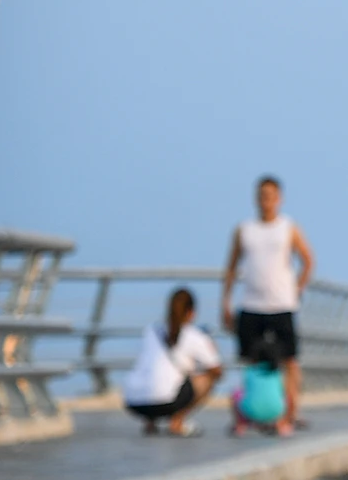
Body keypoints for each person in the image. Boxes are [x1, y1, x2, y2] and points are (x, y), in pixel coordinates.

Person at [220, 175, 314, 437]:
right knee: (250, 362)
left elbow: (308, 260)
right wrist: (225, 302)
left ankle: (289, 414)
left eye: (271, 195)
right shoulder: (244, 230)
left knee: (290, 361)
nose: (266, 201)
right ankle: (248, 414)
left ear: (279, 198)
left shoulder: (288, 227)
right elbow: (231, 267)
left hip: (282, 303)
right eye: (262, 195)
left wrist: (297, 288)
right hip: (251, 304)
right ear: (255, 198)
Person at [121, 287, 222, 437]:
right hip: (167, 402)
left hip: (134, 402)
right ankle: (177, 421)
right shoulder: (194, 335)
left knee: (158, 377)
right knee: (207, 379)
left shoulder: (151, 330)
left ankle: (150, 423)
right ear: (191, 312)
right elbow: (217, 371)